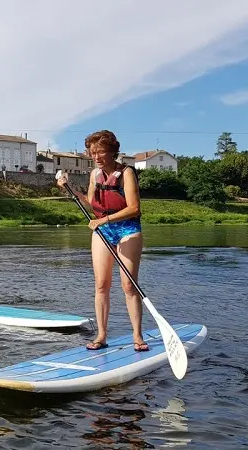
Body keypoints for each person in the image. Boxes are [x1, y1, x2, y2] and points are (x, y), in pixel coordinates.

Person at [57, 130, 148, 352]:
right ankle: (102, 335)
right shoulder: (94, 175)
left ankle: (137, 336)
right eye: (92, 152)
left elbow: (134, 208)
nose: (96, 157)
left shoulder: (126, 173)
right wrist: (70, 190)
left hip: (127, 229)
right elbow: (91, 203)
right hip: (102, 230)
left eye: (101, 152)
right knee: (101, 285)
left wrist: (104, 220)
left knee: (128, 285)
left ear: (112, 152)